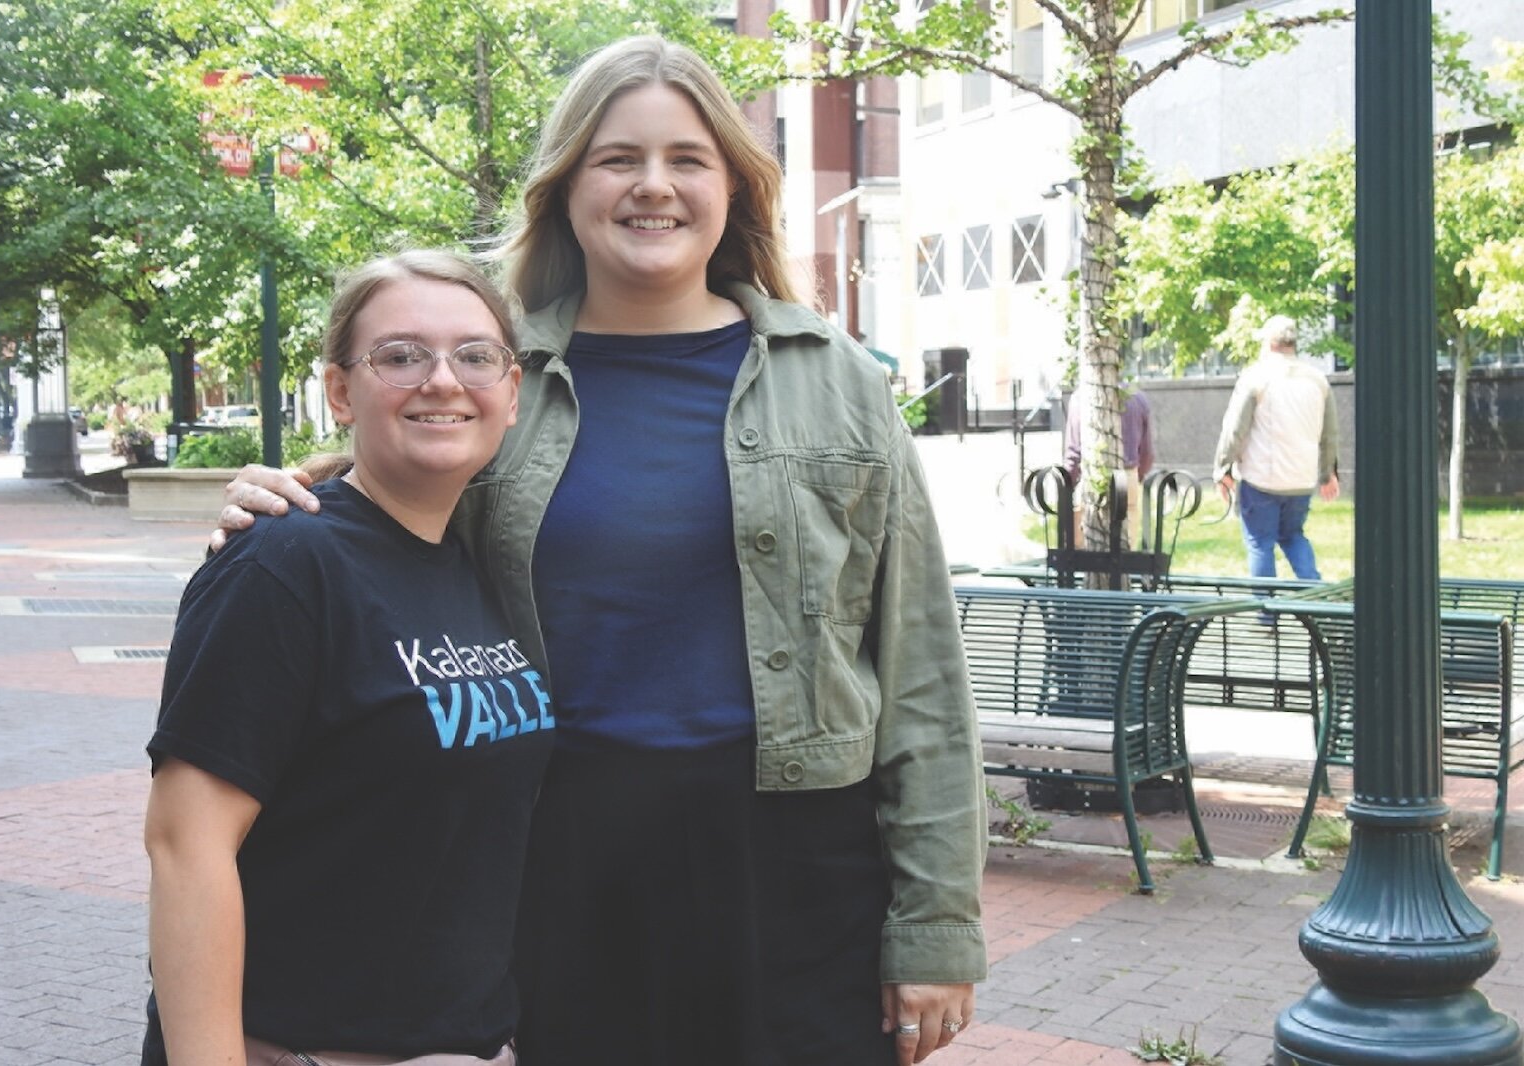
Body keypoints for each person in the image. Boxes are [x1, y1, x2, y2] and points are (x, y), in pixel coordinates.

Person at [214, 36, 987, 1066]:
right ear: (568, 186)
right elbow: (388, 499)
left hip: (796, 871)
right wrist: (280, 494)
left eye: (687, 158)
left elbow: (921, 665)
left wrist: (936, 925)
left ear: (732, 187)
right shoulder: (496, 377)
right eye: (617, 158)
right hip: (551, 860)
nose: (652, 186)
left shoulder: (834, 376)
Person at [142, 250, 548, 1066]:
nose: (442, 379)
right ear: (340, 391)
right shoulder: (283, 564)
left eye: (475, 355)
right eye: (400, 355)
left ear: (511, 393)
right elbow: (188, 846)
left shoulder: (482, 563)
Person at [1212, 314, 1340, 579]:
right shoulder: (1318, 381)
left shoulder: (1255, 378)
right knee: (1294, 536)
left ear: (1269, 343)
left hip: (1261, 480)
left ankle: (1266, 614)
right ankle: (1316, 599)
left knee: (1260, 543)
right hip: (1301, 480)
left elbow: (1235, 429)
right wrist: (1327, 474)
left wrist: (1222, 469)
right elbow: (1330, 434)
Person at [1063, 383, 1154, 548]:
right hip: (1128, 474)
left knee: (1082, 547)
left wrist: (1069, 480)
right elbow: (1146, 451)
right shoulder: (1137, 397)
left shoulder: (1081, 397)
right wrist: (1138, 475)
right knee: (1125, 544)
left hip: (1091, 473)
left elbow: (1074, 448)